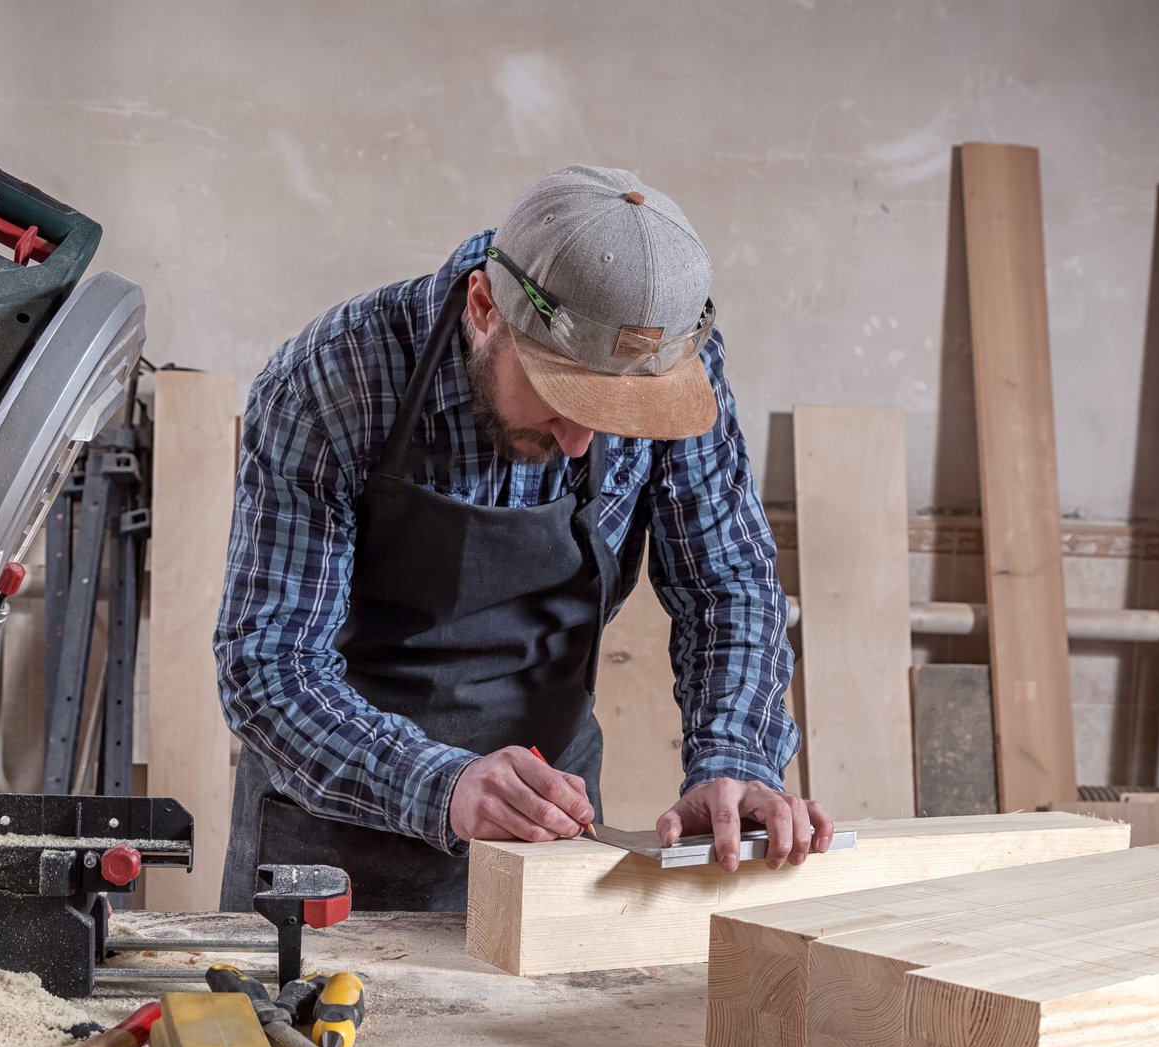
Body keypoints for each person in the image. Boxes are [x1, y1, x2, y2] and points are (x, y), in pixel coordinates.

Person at [213, 164, 832, 911]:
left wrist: (734, 759)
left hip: (549, 832)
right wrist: (440, 782)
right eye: (561, 397)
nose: (580, 444)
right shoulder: (333, 380)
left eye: (614, 415)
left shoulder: (666, 365)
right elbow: (268, 664)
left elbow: (725, 585)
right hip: (334, 838)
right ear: (484, 309)